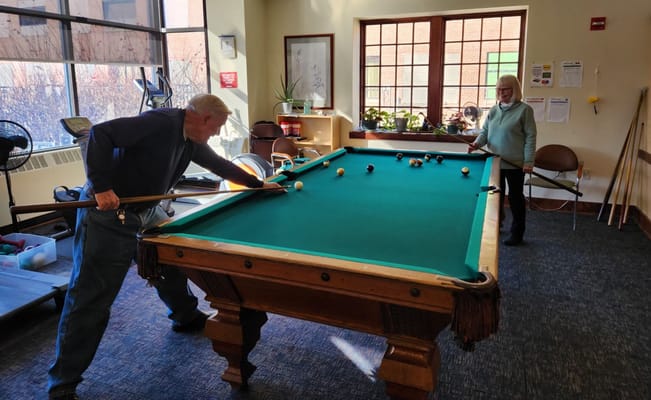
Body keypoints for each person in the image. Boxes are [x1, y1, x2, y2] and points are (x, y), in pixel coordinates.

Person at [47, 94, 285, 400]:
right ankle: (62, 383)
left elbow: (219, 165)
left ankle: (185, 314)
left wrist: (257, 184)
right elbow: (100, 134)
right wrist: (102, 185)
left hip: (147, 208)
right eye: (217, 127)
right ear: (204, 119)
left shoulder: (190, 138)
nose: (217, 133)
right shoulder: (158, 124)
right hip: (108, 214)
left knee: (172, 259)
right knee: (90, 297)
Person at [468, 74, 537, 246]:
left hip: (515, 164)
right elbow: (485, 132)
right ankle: (495, 226)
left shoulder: (525, 110)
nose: (502, 92)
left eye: (506, 88)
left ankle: (517, 233)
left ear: (515, 90)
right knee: (494, 197)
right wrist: (477, 143)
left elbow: (530, 137)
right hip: (495, 161)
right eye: (499, 88)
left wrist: (528, 161)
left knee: (515, 199)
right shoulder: (493, 110)